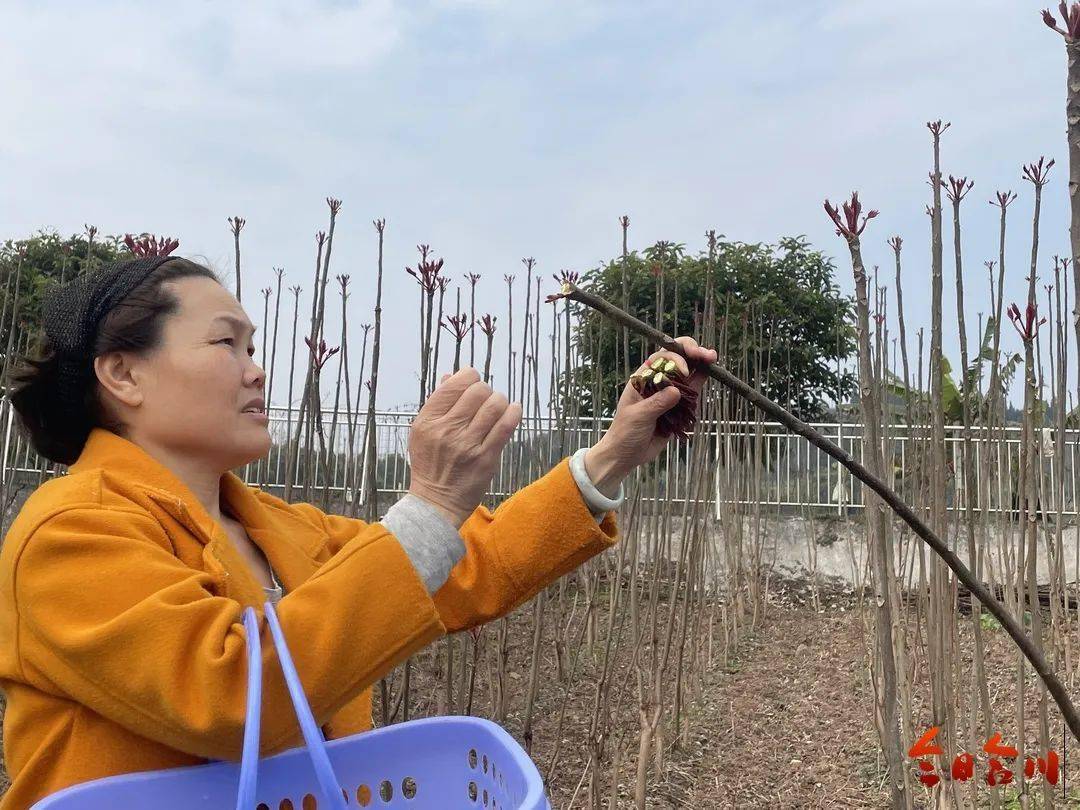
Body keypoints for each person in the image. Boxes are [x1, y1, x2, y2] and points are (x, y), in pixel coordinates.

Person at [0, 256, 716, 808]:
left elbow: (472, 565)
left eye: (254, 348)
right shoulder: (69, 534)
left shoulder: (276, 525)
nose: (257, 373)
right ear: (123, 374)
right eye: (228, 344)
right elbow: (233, 697)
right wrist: (430, 502)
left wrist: (613, 453)